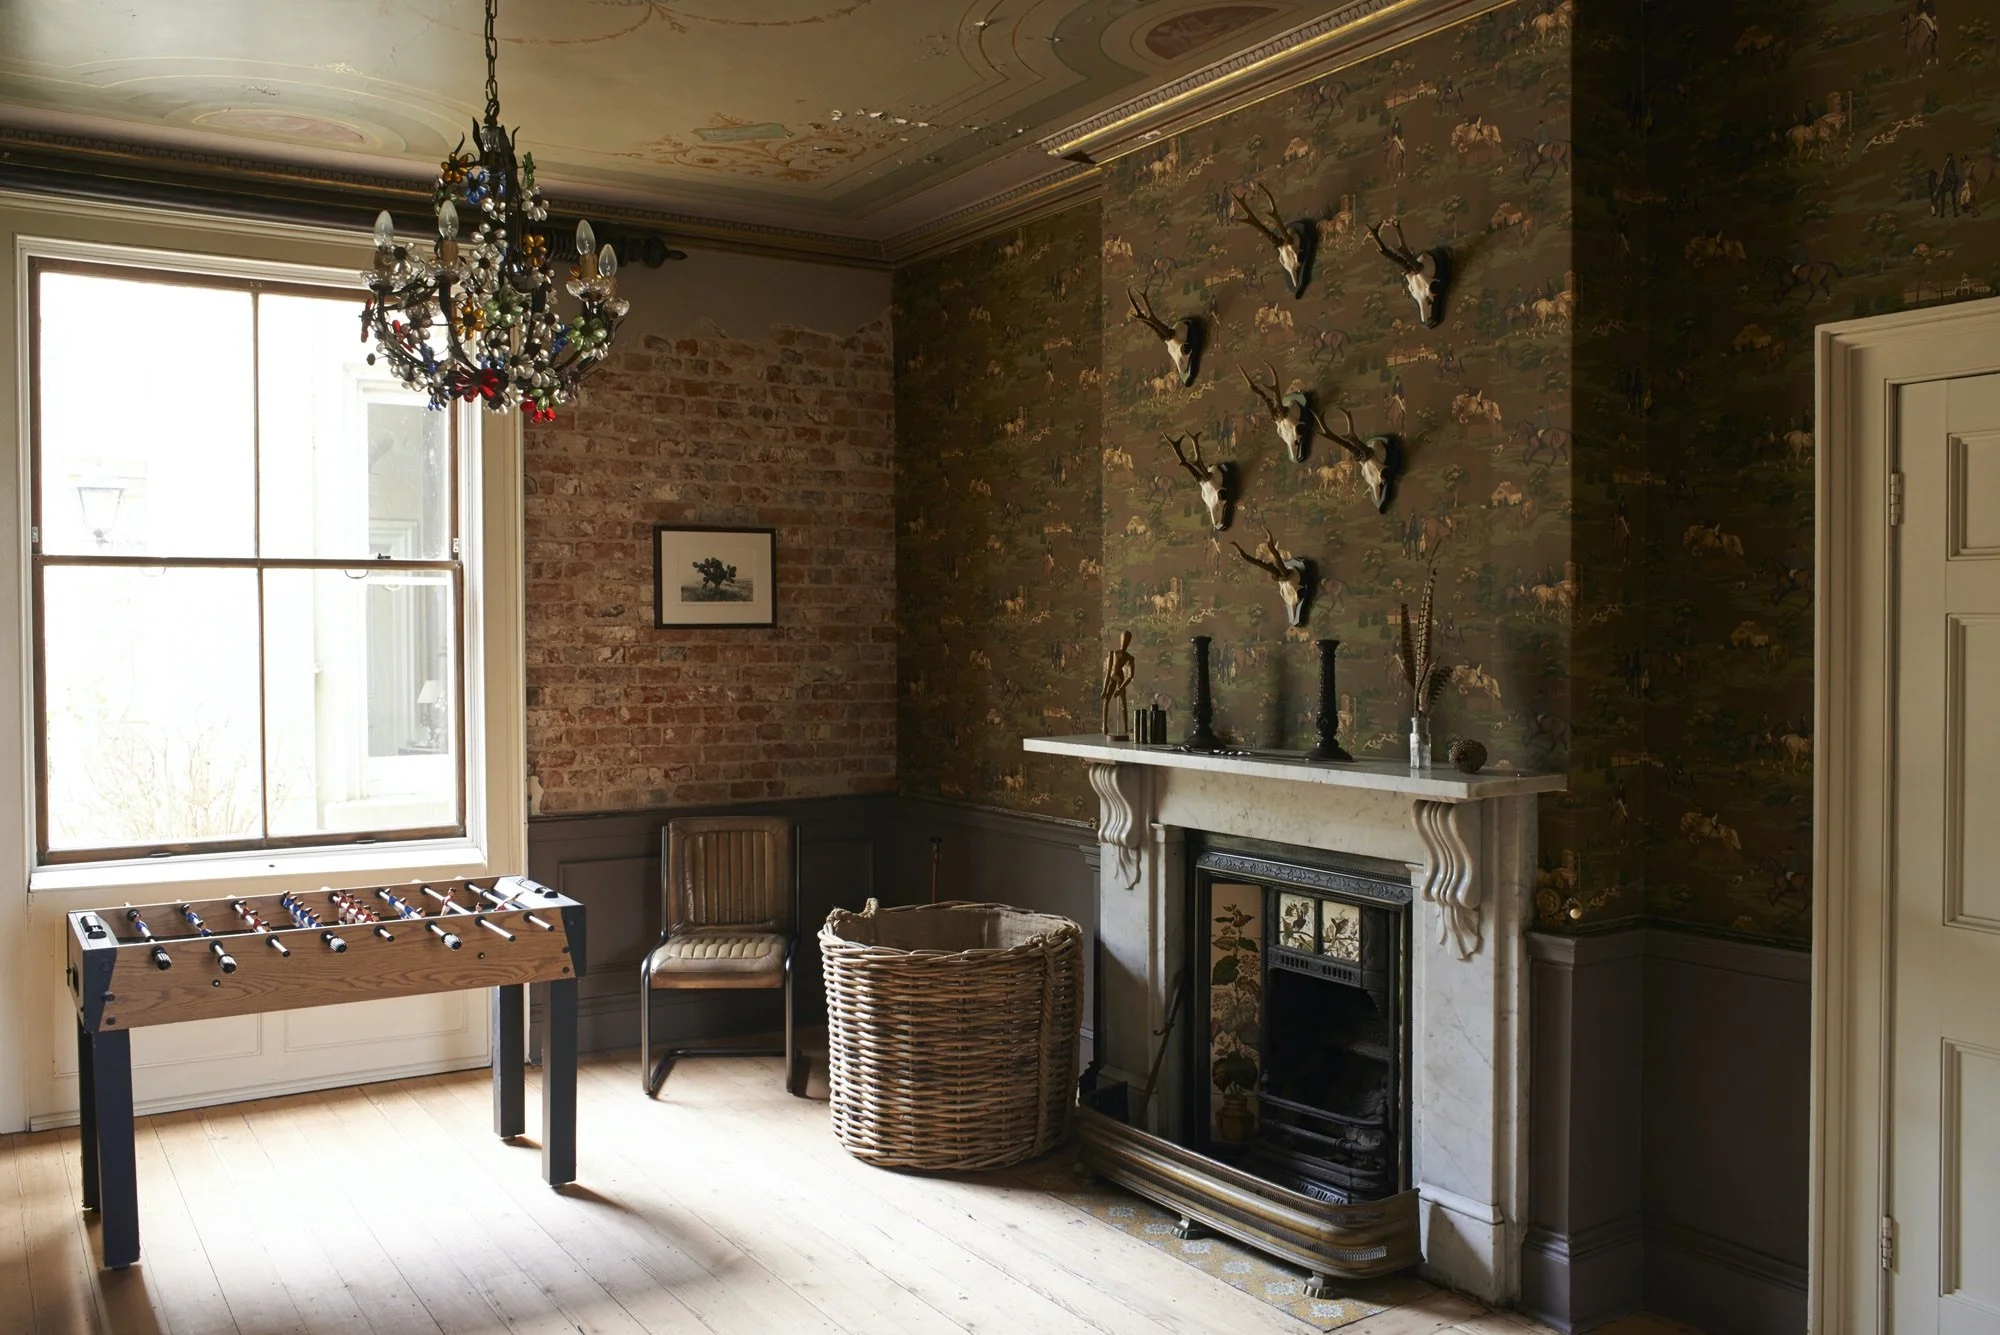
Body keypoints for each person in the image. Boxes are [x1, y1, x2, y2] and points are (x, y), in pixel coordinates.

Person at [1100, 630, 1136, 736]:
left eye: (1127, 640)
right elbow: (1108, 672)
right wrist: (1104, 689)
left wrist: (1120, 688)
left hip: (1120, 678)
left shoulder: (1129, 657)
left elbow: (1130, 676)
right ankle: (1104, 725)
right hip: (1112, 677)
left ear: (1129, 642)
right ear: (1120, 639)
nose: (1125, 642)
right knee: (1106, 700)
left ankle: (1125, 729)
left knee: (1123, 703)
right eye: (1123, 639)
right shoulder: (1113, 653)